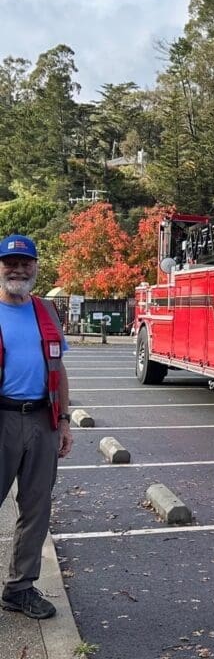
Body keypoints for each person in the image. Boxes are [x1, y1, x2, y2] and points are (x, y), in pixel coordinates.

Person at [0, 234, 72, 619]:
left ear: (36, 267)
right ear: (0, 267)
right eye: (11, 263)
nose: (18, 269)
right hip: (2, 418)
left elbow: (58, 368)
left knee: (36, 508)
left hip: (42, 420)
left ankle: (20, 588)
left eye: (26, 262)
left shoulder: (46, 311)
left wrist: (63, 421)